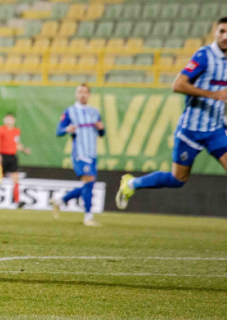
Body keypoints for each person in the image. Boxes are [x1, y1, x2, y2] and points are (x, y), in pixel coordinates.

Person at [117, 17, 227, 209]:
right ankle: (131, 184)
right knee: (178, 179)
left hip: (215, 130)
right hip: (191, 130)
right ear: (214, 32)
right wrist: (213, 95)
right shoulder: (204, 56)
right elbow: (177, 85)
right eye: (222, 31)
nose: (225, 37)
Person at [51, 83, 105, 226]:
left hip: (92, 154)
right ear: (76, 94)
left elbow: (101, 133)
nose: (82, 95)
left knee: (89, 184)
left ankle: (60, 201)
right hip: (79, 153)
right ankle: (88, 217)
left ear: (89, 94)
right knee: (89, 180)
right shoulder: (69, 112)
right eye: (80, 92)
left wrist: (101, 128)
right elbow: (58, 131)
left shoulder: (94, 112)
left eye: (85, 92)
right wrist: (67, 129)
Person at [0, 113, 31, 207]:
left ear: (14, 120)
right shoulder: (1, 130)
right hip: (3, 157)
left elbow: (17, 144)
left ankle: (17, 201)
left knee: (15, 179)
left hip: (12, 157)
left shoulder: (16, 131)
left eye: (11, 119)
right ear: (4, 120)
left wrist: (24, 150)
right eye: (7, 119)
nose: (9, 121)